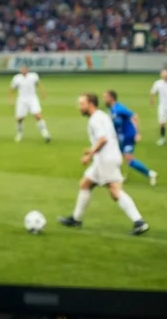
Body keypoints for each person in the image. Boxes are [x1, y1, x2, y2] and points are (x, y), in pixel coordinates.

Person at [58, 94, 149, 234]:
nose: (79, 107)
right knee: (85, 184)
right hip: (105, 158)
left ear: (91, 104)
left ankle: (139, 222)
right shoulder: (102, 115)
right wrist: (92, 150)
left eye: (82, 104)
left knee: (115, 191)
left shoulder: (95, 119)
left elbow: (103, 139)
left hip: (106, 159)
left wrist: (90, 154)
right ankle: (76, 219)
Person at [104, 89, 157, 186]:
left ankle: (150, 174)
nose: (104, 100)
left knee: (130, 160)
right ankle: (118, 177)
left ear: (111, 98)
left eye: (105, 97)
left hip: (128, 136)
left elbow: (135, 116)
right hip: (120, 137)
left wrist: (137, 133)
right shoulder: (112, 109)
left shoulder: (119, 108)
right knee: (116, 157)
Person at [9, 64, 52, 143]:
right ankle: (19, 133)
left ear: (27, 69)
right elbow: (11, 89)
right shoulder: (17, 78)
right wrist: (11, 99)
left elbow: (39, 84)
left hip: (32, 98)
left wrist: (42, 93)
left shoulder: (33, 76)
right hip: (22, 99)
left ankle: (45, 134)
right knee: (19, 119)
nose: (24, 70)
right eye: (22, 69)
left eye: (25, 69)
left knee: (38, 115)